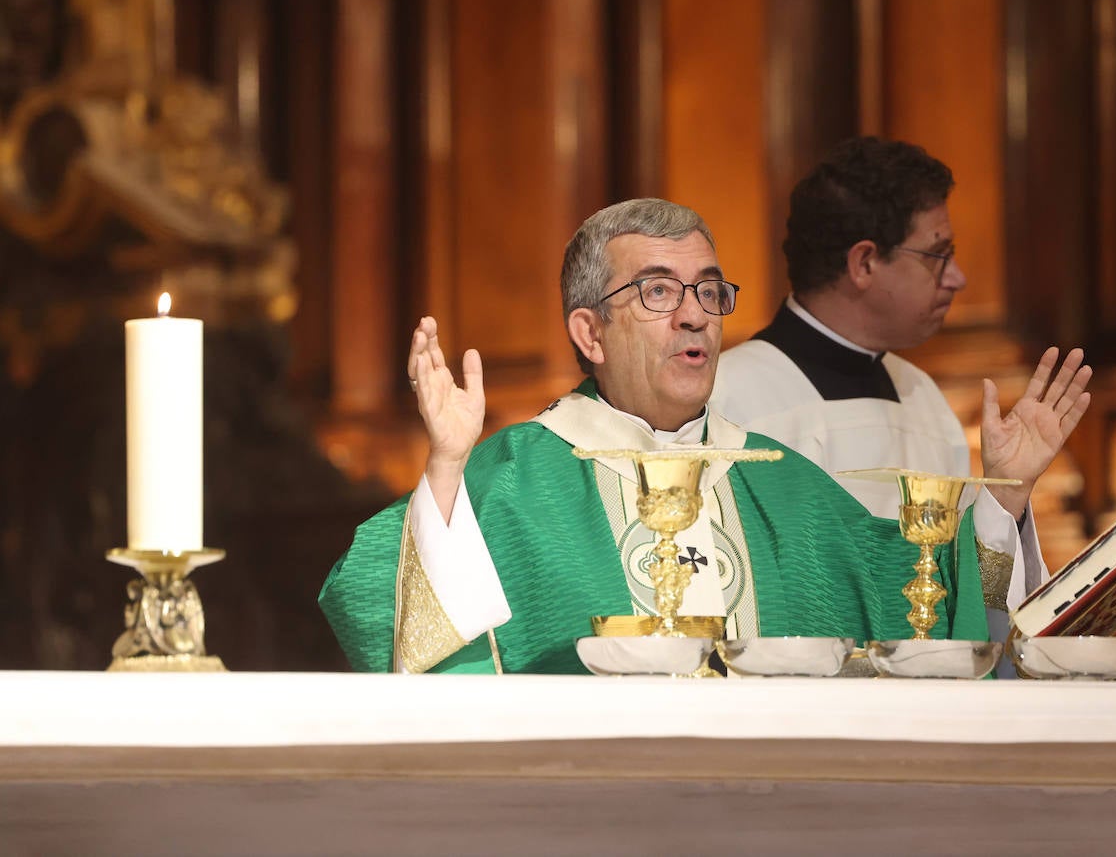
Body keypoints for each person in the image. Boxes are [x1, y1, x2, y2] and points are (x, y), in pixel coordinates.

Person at [319, 198, 989, 675]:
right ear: (590, 334)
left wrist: (1005, 507)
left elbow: (919, 603)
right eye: (659, 293)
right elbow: (375, 597)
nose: (695, 316)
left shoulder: (777, 479)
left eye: (707, 291)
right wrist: (445, 464)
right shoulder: (517, 479)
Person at [710, 138, 1092, 655]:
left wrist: (1008, 495)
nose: (957, 278)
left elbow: (967, 610)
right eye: (938, 255)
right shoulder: (728, 398)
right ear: (864, 263)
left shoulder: (923, 397)